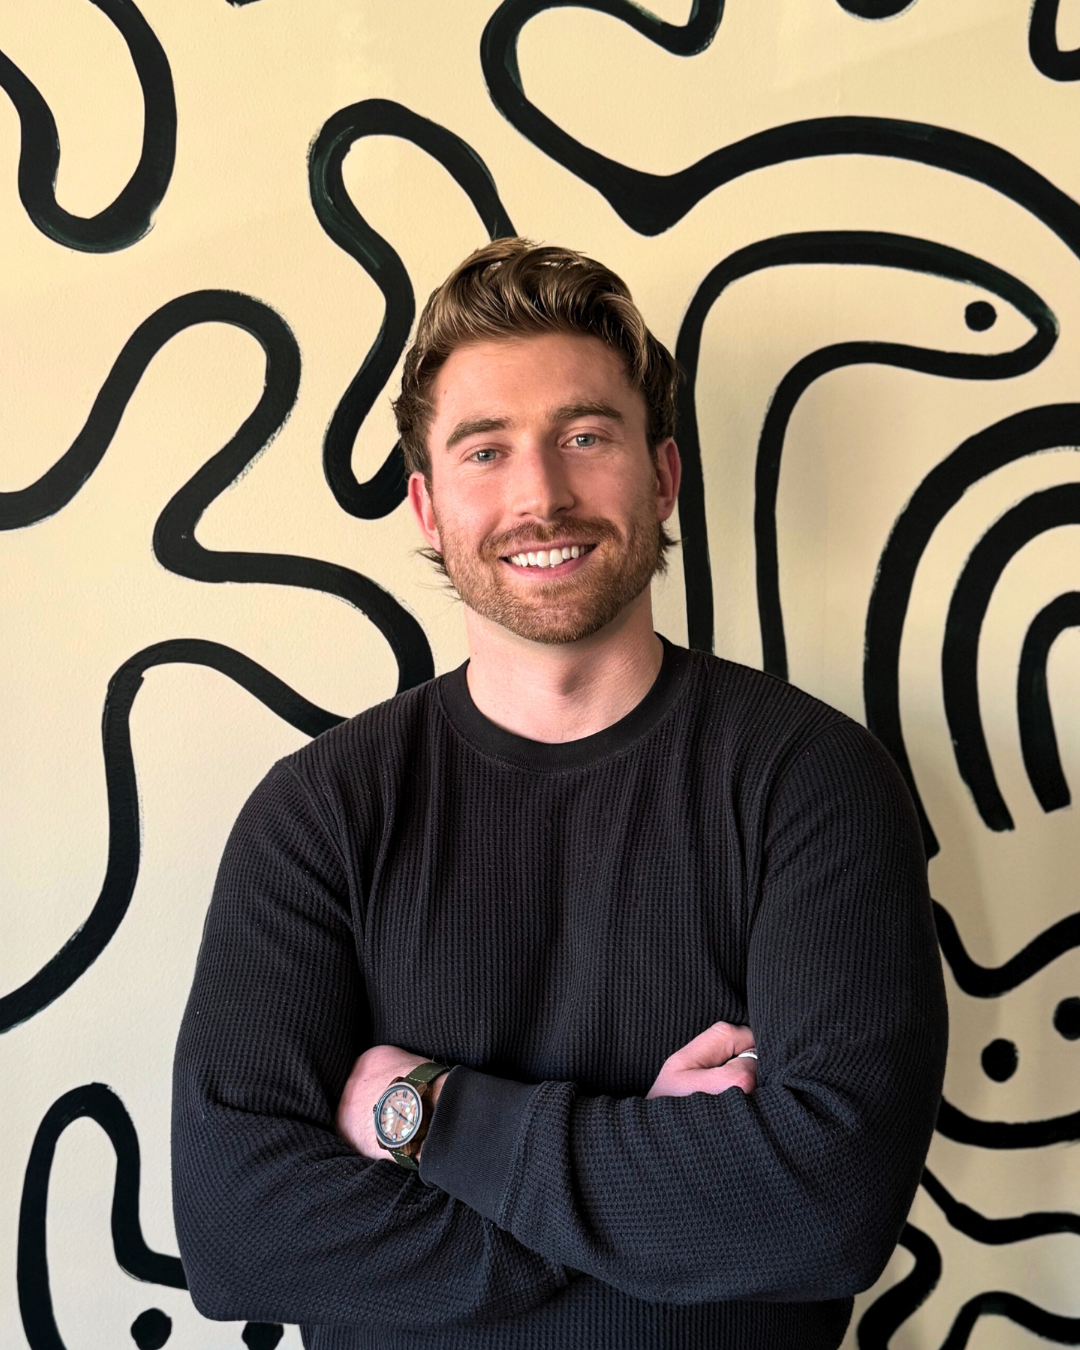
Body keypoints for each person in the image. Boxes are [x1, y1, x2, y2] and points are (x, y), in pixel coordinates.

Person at [172, 237, 948, 1350]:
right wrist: (648, 1198)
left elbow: (826, 1211)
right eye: (486, 451)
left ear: (663, 476)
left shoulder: (813, 783)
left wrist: (431, 1123)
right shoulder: (320, 815)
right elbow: (238, 1234)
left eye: (586, 437)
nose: (541, 494)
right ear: (428, 507)